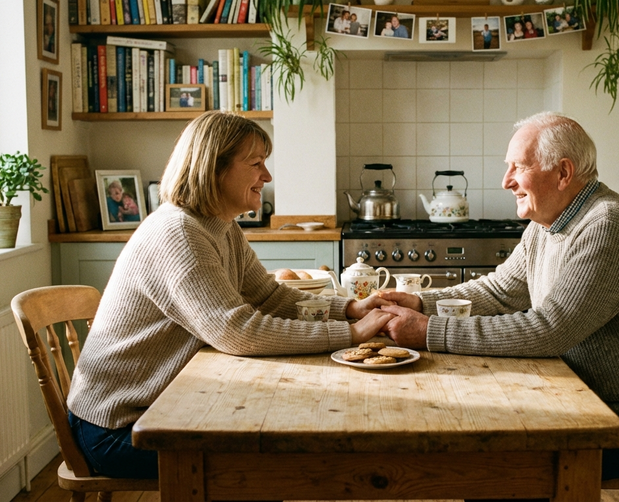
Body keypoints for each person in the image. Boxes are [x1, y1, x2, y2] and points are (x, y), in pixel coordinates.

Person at [66, 111, 394, 479]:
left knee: (276, 437)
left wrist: (350, 308)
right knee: (266, 464)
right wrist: (350, 334)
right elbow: (236, 331)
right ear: (213, 169)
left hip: (155, 408)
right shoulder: (179, 232)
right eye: (256, 164)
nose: (267, 177)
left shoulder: (220, 225)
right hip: (115, 427)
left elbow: (268, 297)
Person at [376, 112, 619, 482]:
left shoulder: (608, 226)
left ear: (563, 173)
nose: (505, 181)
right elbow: (498, 292)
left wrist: (430, 331)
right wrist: (419, 302)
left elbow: (550, 330)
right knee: (473, 435)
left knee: (490, 463)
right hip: (583, 399)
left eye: (518, 168)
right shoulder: (547, 225)